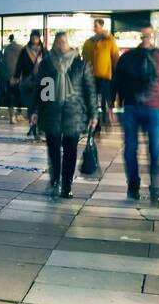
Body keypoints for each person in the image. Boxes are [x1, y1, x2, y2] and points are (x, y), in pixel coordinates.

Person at [112, 25, 159, 203]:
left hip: (154, 108)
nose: (145, 38)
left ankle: (156, 187)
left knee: (155, 149)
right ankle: (133, 185)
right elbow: (117, 79)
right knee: (130, 149)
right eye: (143, 35)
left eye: (148, 35)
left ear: (152, 36)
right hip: (132, 107)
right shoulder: (128, 57)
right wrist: (109, 104)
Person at [29, 31, 98, 199]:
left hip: (73, 114)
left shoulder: (80, 65)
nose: (61, 44)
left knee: (70, 151)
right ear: (54, 44)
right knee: (53, 151)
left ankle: (66, 185)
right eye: (58, 41)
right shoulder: (47, 64)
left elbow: (89, 91)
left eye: (64, 41)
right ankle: (55, 181)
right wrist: (36, 111)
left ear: (69, 44)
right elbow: (40, 90)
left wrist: (93, 115)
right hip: (51, 113)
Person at [80, 18, 120, 129]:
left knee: (106, 99)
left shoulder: (109, 40)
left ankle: (107, 119)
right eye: (94, 26)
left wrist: (118, 72)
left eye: (96, 26)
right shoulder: (88, 42)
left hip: (104, 75)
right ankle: (94, 122)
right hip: (91, 75)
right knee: (92, 99)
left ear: (101, 26)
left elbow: (115, 56)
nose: (94, 28)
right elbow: (84, 59)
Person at [14, 32, 45, 138]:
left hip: (42, 82)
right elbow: (19, 64)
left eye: (36, 38)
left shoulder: (44, 51)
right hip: (28, 81)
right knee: (31, 105)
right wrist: (16, 76)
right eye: (33, 37)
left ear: (39, 39)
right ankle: (32, 126)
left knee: (41, 105)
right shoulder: (24, 51)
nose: (34, 39)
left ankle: (39, 126)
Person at [2, 34, 22, 121]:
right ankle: (18, 113)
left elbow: (4, 62)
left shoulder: (6, 49)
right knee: (19, 94)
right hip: (19, 76)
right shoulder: (21, 48)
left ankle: (11, 116)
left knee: (10, 95)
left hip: (9, 76)